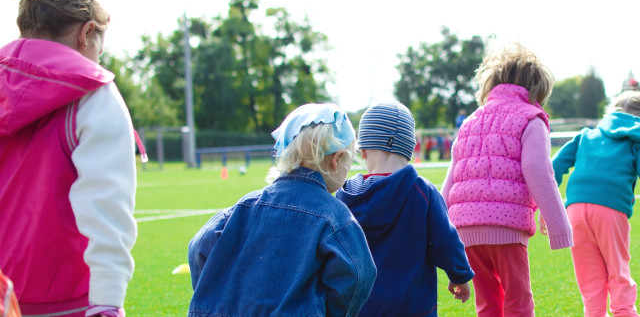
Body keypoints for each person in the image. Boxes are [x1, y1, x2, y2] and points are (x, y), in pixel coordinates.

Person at [0, 0, 137, 317]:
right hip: (69, 300)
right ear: (87, 32)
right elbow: (107, 207)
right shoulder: (93, 93)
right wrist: (108, 300)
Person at [188, 103, 376, 317]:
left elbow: (198, 246)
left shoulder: (243, 206)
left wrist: (213, 292)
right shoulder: (335, 216)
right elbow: (359, 274)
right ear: (336, 159)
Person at [441, 43, 573, 317]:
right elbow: (538, 170)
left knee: (487, 303)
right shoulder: (531, 119)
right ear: (537, 89)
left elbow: (450, 180)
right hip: (506, 226)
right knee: (518, 302)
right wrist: (558, 225)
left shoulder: (469, 122)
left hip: (466, 230)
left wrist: (442, 233)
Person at [336, 101, 474, 317]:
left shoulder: (344, 197)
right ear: (409, 149)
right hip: (414, 306)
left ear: (362, 151)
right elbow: (445, 241)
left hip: (360, 307)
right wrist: (460, 275)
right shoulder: (422, 192)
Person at [552, 90, 640, 317]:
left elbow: (553, 168)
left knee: (590, 280)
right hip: (610, 210)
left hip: (575, 210)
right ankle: (624, 312)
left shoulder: (586, 135)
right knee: (618, 272)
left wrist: (549, 206)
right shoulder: (635, 139)